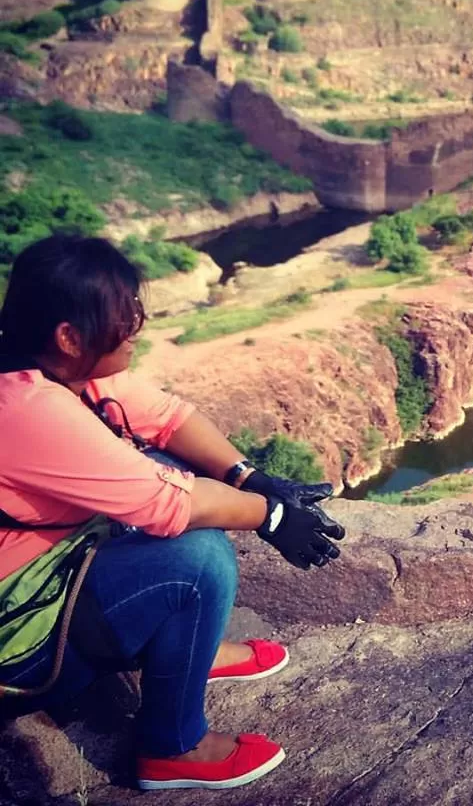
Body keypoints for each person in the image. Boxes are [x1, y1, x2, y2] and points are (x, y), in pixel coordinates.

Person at [0, 235, 345, 791]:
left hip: (44, 570)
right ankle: (174, 747)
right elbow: (170, 504)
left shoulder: (48, 365)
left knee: (162, 460)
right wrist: (273, 517)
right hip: (19, 638)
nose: (136, 328)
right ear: (69, 337)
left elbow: (167, 418)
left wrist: (250, 478)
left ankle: (189, 649)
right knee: (198, 557)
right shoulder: (25, 409)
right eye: (123, 318)